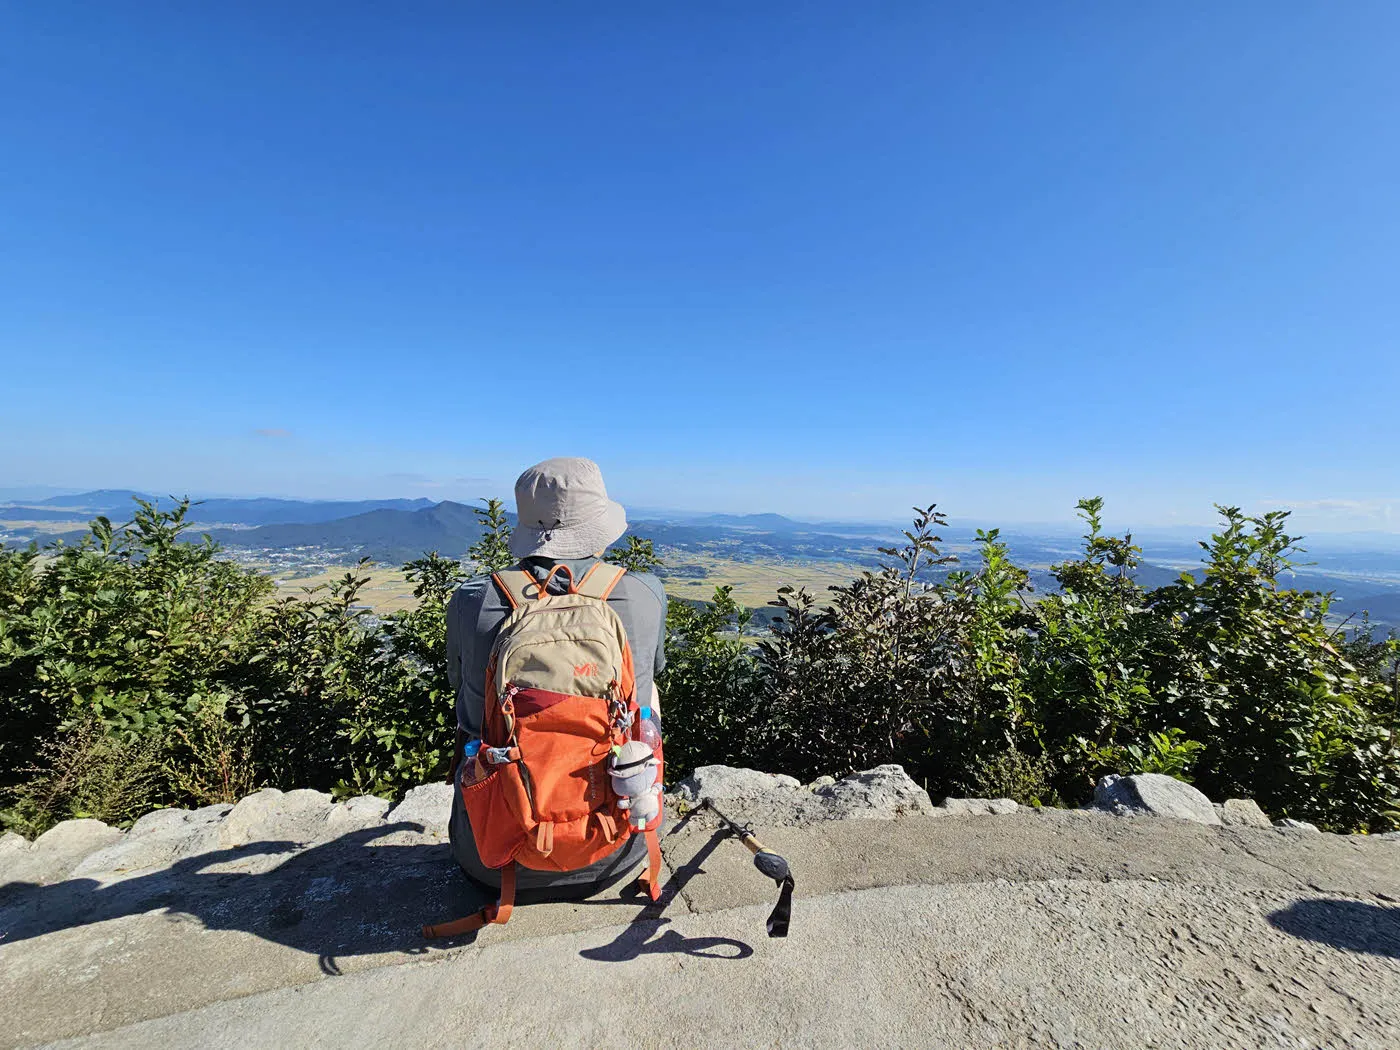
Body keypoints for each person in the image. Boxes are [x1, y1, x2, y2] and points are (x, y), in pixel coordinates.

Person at [444, 457, 668, 897]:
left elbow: (462, 693)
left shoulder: (472, 599)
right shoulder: (645, 593)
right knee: (645, 694)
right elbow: (650, 678)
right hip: (618, 850)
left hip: (489, 857)